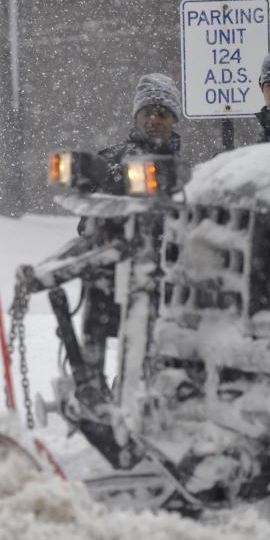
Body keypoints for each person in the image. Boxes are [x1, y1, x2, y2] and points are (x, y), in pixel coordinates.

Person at [80, 73, 183, 369]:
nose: (154, 120)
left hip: (167, 276)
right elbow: (87, 219)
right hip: (115, 275)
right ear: (137, 116)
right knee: (110, 336)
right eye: (148, 112)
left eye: (162, 113)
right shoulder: (111, 161)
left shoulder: (184, 170)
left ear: (173, 120)